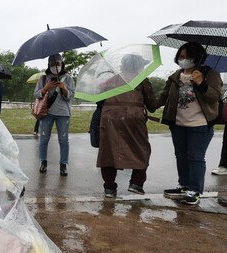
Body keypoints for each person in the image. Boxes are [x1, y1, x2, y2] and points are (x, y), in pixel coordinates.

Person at [156, 42, 223, 205]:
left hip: (200, 125)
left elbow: (215, 97)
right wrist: (143, 103)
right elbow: (163, 97)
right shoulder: (175, 76)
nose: (183, 60)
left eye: (187, 57)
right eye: (180, 56)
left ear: (197, 58)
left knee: (195, 157)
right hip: (178, 124)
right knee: (181, 156)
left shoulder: (210, 74)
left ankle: (195, 190)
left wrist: (201, 83)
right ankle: (184, 185)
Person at [96, 54, 158, 198]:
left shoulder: (110, 81)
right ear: (137, 66)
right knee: (141, 149)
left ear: (123, 65)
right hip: (134, 118)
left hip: (109, 118)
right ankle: (136, 183)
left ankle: (109, 188)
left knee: (109, 152)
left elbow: (99, 101)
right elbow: (152, 106)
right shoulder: (142, 80)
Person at [33, 53, 75, 176]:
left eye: (57, 64)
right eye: (52, 64)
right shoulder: (43, 78)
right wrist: (46, 87)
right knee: (44, 138)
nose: (55, 66)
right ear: (48, 65)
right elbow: (36, 94)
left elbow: (71, 96)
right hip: (47, 113)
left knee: (63, 140)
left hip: (63, 113)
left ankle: (63, 164)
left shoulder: (68, 78)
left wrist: (64, 88)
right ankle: (43, 162)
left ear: (62, 64)